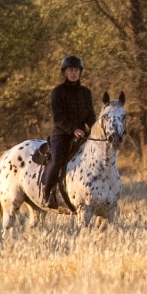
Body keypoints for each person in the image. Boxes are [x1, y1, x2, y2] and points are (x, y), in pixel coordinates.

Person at [43, 54, 95, 212]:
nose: (73, 73)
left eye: (76, 70)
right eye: (70, 70)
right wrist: (74, 129)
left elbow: (90, 116)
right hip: (61, 135)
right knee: (57, 160)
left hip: (82, 135)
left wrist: (96, 130)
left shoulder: (86, 93)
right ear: (65, 72)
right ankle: (47, 194)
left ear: (80, 72)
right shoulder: (57, 92)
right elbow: (58, 118)